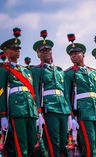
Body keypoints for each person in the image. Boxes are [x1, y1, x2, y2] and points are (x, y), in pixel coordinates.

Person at [31, 30, 71, 157]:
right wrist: (38, 112)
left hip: (63, 109)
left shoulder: (60, 71)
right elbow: (36, 92)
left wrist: (70, 113)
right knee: (53, 143)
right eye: (42, 51)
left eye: (48, 50)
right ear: (38, 54)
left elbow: (66, 94)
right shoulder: (37, 70)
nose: (46, 53)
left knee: (64, 143)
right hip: (49, 109)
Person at [64, 33, 96, 156]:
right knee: (88, 144)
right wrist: (71, 116)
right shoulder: (69, 73)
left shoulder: (93, 73)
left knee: (95, 144)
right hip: (83, 113)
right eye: (71, 54)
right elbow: (67, 95)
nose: (74, 56)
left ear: (83, 54)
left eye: (76, 53)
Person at [0, 28, 38, 156]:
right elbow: (1, 92)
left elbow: (32, 93)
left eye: (18, 49)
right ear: (5, 51)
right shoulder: (4, 69)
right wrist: (3, 114)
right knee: (21, 145)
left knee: (32, 143)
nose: (17, 51)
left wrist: (37, 112)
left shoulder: (27, 71)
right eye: (14, 49)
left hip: (31, 111)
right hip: (17, 111)